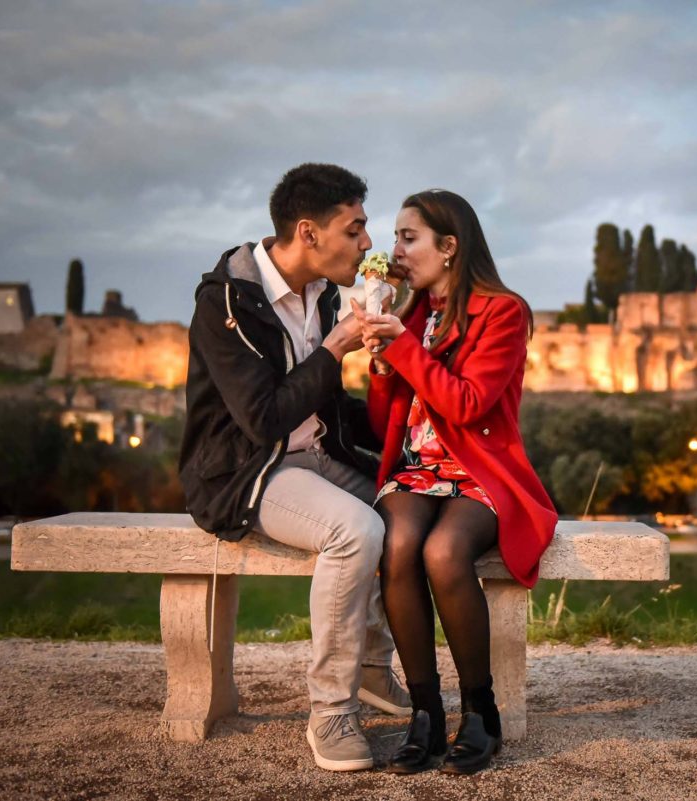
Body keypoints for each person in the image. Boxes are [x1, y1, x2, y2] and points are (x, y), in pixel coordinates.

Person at [178, 163, 411, 772]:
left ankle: (370, 668)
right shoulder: (226, 303)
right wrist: (336, 347)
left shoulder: (325, 292)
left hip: (313, 458)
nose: (368, 244)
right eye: (355, 228)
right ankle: (330, 710)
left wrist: (402, 392)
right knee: (355, 531)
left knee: (407, 512)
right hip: (246, 471)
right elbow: (262, 419)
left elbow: (327, 407)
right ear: (308, 232)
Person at [356, 189, 557, 775]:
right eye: (394, 237)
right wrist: (379, 363)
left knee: (445, 552)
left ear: (449, 247)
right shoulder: (411, 312)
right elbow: (382, 421)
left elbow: (467, 405)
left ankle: (479, 713)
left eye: (407, 237)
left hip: (481, 471)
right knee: (396, 548)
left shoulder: (504, 311)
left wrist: (402, 349)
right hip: (415, 469)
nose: (393, 250)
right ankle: (424, 714)